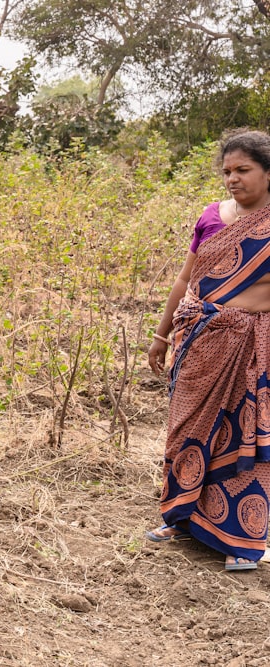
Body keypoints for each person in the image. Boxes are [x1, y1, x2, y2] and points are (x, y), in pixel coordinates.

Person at [146, 129, 270, 571]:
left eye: (243, 170)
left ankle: (241, 540)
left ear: (267, 173)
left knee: (243, 436)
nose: (233, 179)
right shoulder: (212, 217)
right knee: (185, 429)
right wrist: (162, 335)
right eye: (227, 172)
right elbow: (185, 280)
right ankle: (179, 518)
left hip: (252, 346)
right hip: (198, 340)